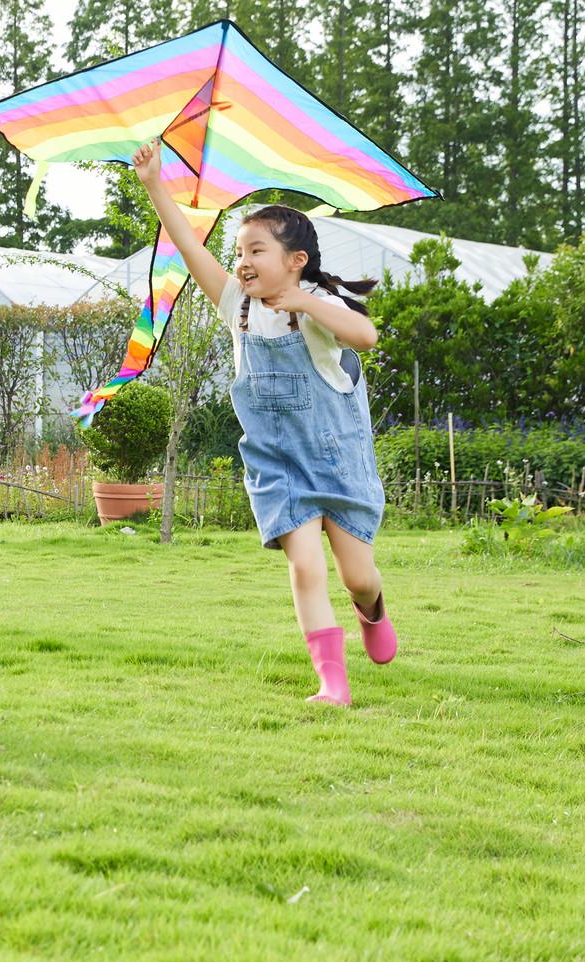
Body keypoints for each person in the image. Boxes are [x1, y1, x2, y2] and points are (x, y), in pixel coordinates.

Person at [132, 139, 398, 705]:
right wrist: (156, 183)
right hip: (276, 463)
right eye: (239, 253)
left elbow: (366, 336)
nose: (243, 262)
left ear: (295, 261)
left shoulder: (321, 308)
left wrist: (304, 304)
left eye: (256, 250)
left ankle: (372, 609)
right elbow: (187, 247)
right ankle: (333, 684)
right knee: (305, 568)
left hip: (337, 459)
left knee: (358, 577)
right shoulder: (239, 307)